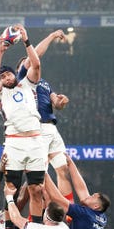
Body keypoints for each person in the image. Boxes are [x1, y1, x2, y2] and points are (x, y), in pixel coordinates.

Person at [0, 23, 48, 229]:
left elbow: (37, 63)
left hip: (35, 141)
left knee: (36, 189)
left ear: (14, 73)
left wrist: (26, 41)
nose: (5, 77)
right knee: (11, 188)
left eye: (8, 73)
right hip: (13, 142)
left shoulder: (28, 85)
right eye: (2, 76)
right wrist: (0, 50)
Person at [16, 29, 73, 201]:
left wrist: (61, 102)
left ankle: (68, 211)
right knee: (39, 179)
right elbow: (36, 57)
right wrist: (52, 36)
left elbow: (56, 103)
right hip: (37, 128)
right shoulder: (22, 79)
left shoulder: (45, 84)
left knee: (63, 170)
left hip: (51, 128)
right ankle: (39, 214)